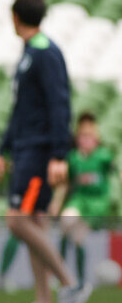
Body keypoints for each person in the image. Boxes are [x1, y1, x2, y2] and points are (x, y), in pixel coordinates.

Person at [0, 0, 86, 303]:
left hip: (40, 150)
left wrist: (59, 153)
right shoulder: (31, 52)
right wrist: (2, 149)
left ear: (15, 17)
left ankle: (71, 284)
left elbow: (60, 103)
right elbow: (21, 111)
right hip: (27, 147)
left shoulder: (45, 52)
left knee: (17, 220)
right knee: (35, 222)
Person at [58, 112, 116, 288]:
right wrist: (56, 203)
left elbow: (115, 169)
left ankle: (79, 279)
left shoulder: (103, 156)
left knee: (78, 239)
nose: (84, 140)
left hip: (96, 203)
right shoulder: (74, 158)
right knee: (66, 222)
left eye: (88, 137)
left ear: (95, 139)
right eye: (82, 137)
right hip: (79, 200)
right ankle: (59, 271)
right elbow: (66, 183)